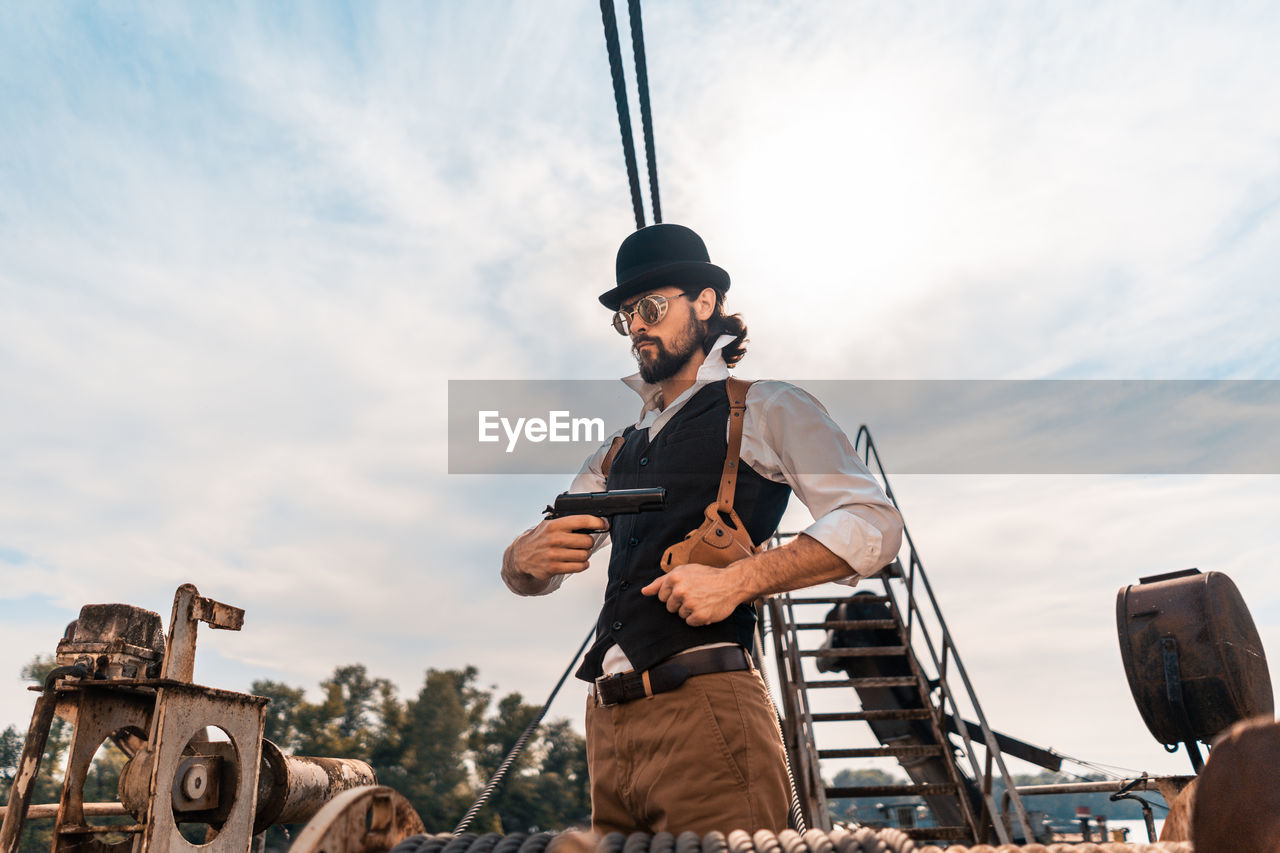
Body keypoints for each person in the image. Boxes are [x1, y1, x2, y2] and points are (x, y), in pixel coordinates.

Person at [501, 223, 903, 835]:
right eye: (626, 314)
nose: (636, 325)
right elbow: (538, 573)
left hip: (706, 709)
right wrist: (520, 562)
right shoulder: (615, 453)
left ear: (706, 303)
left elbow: (873, 524)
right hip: (606, 724)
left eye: (652, 306)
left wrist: (740, 580)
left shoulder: (766, 406)